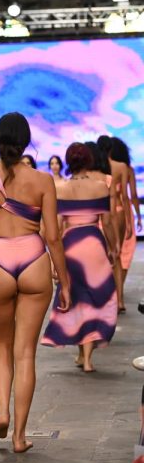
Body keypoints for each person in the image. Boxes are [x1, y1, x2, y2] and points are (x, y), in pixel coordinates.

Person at [0, 112, 70, 453]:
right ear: (26, 142)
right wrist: (65, 281)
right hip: (34, 260)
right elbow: (53, 236)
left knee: (2, 347)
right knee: (25, 353)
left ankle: (2, 412)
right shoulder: (43, 181)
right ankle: (20, 436)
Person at [41, 143, 117, 372]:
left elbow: (55, 229)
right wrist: (113, 248)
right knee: (95, 298)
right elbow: (108, 223)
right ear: (88, 160)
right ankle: (87, 357)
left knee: (77, 297)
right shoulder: (100, 187)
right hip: (94, 245)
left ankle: (82, 354)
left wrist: (53, 259)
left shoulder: (60, 188)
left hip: (71, 247)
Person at [99, 135, 131, 313]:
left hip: (100, 214)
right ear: (111, 149)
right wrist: (130, 223)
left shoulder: (97, 168)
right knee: (116, 256)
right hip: (118, 212)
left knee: (102, 257)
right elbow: (125, 196)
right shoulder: (121, 167)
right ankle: (120, 301)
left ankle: (106, 300)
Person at [109, 137, 140, 310]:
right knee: (124, 253)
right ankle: (118, 292)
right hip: (124, 214)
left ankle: (114, 293)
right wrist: (138, 216)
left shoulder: (104, 168)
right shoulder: (127, 169)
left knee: (112, 253)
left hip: (107, 215)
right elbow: (132, 195)